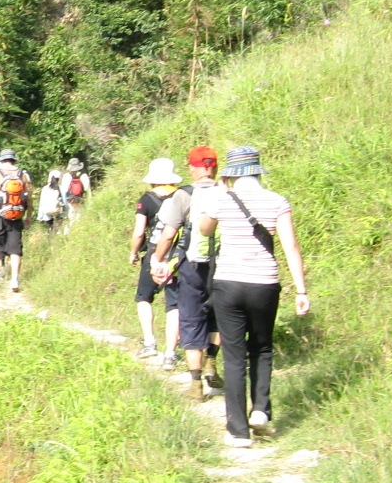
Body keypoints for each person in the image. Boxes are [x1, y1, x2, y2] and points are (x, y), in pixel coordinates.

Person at [196, 145, 311, 448]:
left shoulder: (220, 199)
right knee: (261, 347)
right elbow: (291, 246)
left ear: (231, 174)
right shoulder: (276, 201)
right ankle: (260, 410)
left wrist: (219, 195)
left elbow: (205, 230)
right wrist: (301, 289)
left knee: (234, 356)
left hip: (228, 284)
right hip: (264, 284)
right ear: (259, 170)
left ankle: (238, 430)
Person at [151, 146, 223, 400]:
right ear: (214, 166)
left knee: (192, 319)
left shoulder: (183, 195)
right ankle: (212, 362)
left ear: (193, 168)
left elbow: (169, 234)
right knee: (219, 315)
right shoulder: (228, 192)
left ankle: (195, 385)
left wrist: (158, 259)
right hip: (224, 265)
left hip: (193, 266)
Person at [130, 158, 184, 367]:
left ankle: (150, 343)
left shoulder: (146, 199)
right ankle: (170, 354)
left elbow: (139, 232)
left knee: (144, 297)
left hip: (154, 253)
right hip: (177, 255)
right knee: (174, 304)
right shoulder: (183, 196)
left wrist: (134, 252)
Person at [0, 148, 33, 292]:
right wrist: (29, 215)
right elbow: (29, 198)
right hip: (17, 216)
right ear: (14, 160)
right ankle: (14, 280)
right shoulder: (22, 174)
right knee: (15, 250)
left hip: (0, 215)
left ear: (2, 160)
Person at [59, 158, 91, 231]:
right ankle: (78, 233)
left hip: (70, 202)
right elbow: (88, 190)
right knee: (80, 219)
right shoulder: (84, 176)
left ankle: (70, 235)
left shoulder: (66, 176)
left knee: (71, 219)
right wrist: (89, 204)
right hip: (81, 201)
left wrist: (64, 206)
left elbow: (64, 191)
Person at [36, 169, 65, 235]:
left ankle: (51, 242)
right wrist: (65, 213)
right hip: (59, 213)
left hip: (47, 214)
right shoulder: (61, 188)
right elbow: (64, 202)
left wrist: (40, 216)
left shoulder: (45, 188)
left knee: (50, 230)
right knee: (58, 231)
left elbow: (42, 203)